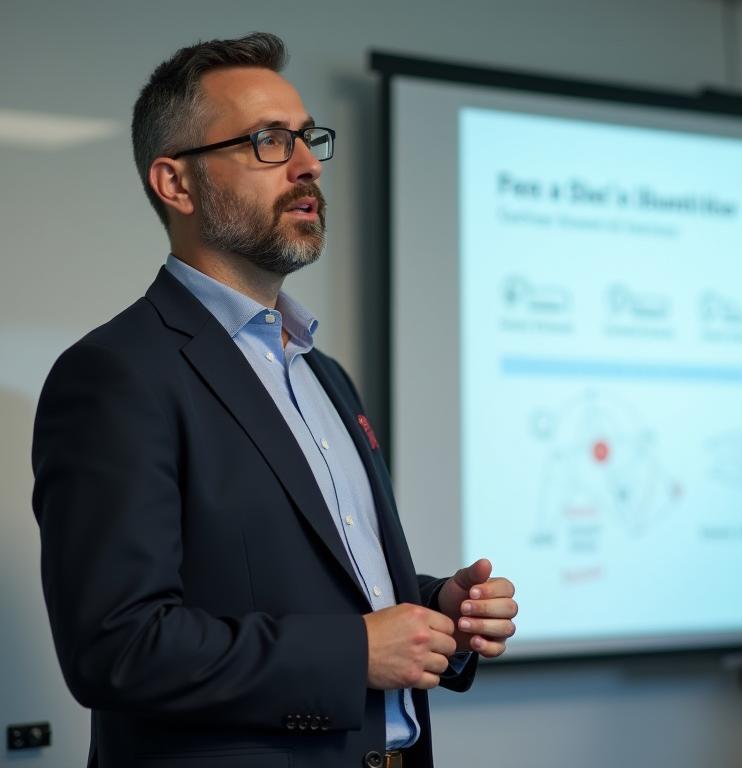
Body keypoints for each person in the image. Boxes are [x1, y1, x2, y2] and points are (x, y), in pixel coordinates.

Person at [31, 33, 517, 768]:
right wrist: (355, 651)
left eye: (307, 137)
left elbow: (300, 581)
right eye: (267, 141)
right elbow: (116, 646)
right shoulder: (115, 374)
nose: (308, 163)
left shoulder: (324, 374)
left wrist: (433, 608)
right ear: (176, 184)